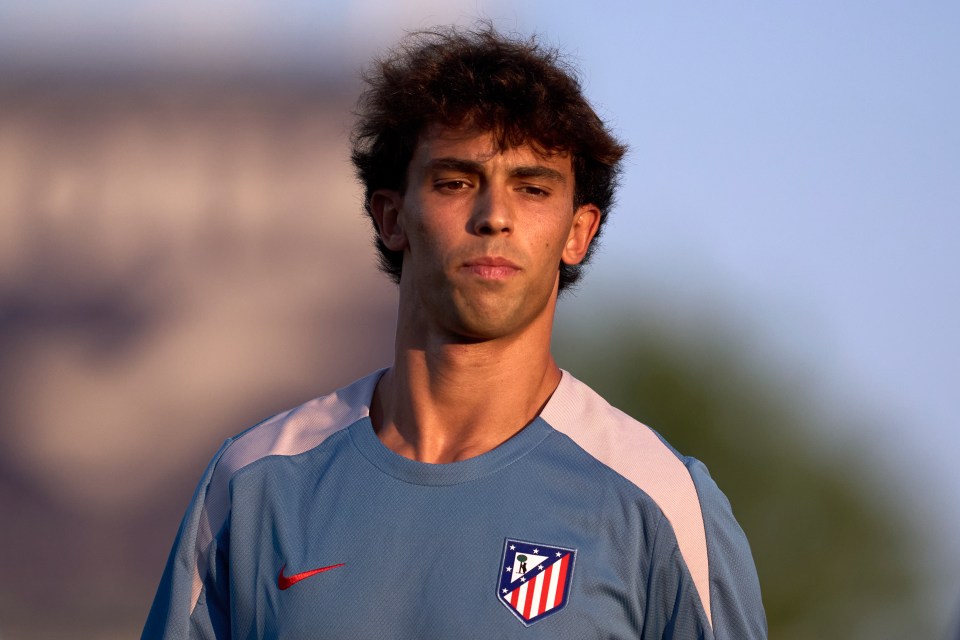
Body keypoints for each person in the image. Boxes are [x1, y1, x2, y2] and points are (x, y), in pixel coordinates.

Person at [143, 24, 766, 639]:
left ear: (577, 232)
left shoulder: (656, 499)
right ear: (392, 216)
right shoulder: (255, 483)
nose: (494, 216)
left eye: (531, 188)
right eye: (456, 182)